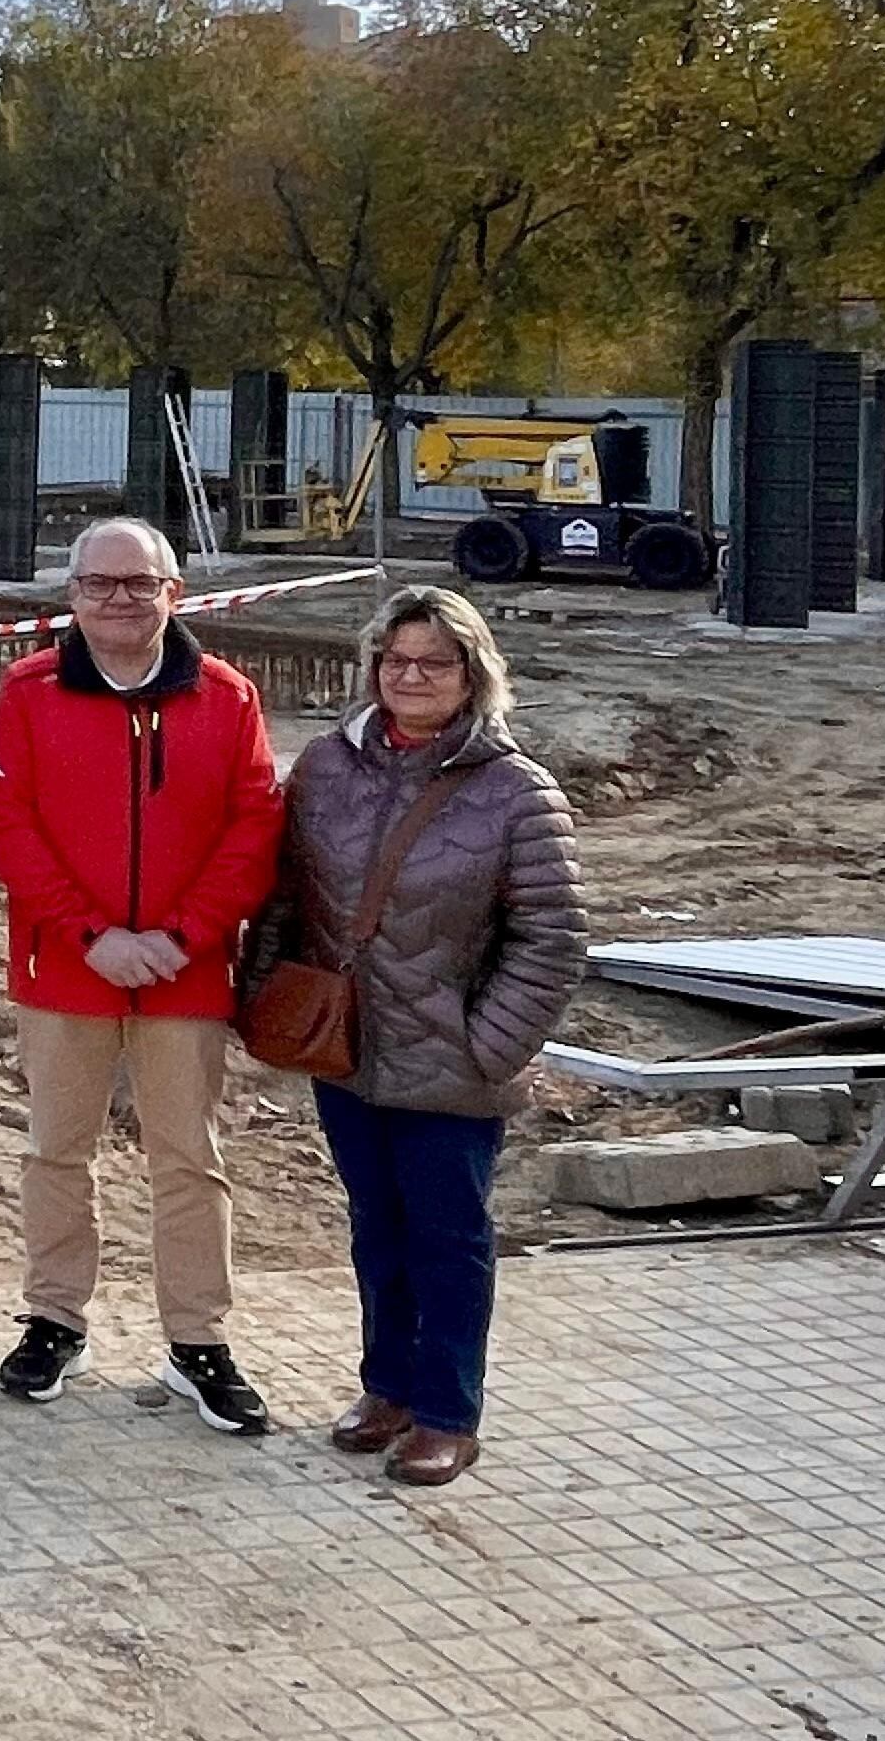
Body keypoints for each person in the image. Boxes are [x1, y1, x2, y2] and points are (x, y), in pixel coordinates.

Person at [0, 518, 285, 1433]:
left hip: (184, 975)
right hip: (66, 970)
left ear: (173, 594)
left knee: (188, 1158)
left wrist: (183, 936)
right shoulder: (27, 695)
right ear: (71, 596)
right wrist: (91, 936)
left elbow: (254, 829)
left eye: (138, 584)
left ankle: (199, 1340)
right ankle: (54, 1319)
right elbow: (7, 829)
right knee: (57, 1151)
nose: (119, 599)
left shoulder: (228, 700)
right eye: (99, 584)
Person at [271, 588, 586, 1487]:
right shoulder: (329, 768)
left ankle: (448, 1410)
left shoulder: (515, 792)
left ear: (473, 676)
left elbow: (554, 938)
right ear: (373, 667)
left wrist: (489, 1045)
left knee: (449, 1237)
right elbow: (287, 896)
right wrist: (267, 1001)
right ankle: (388, 1389)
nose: (411, 677)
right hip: (349, 1051)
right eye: (395, 660)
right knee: (376, 1227)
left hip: (454, 1065)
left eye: (434, 663)